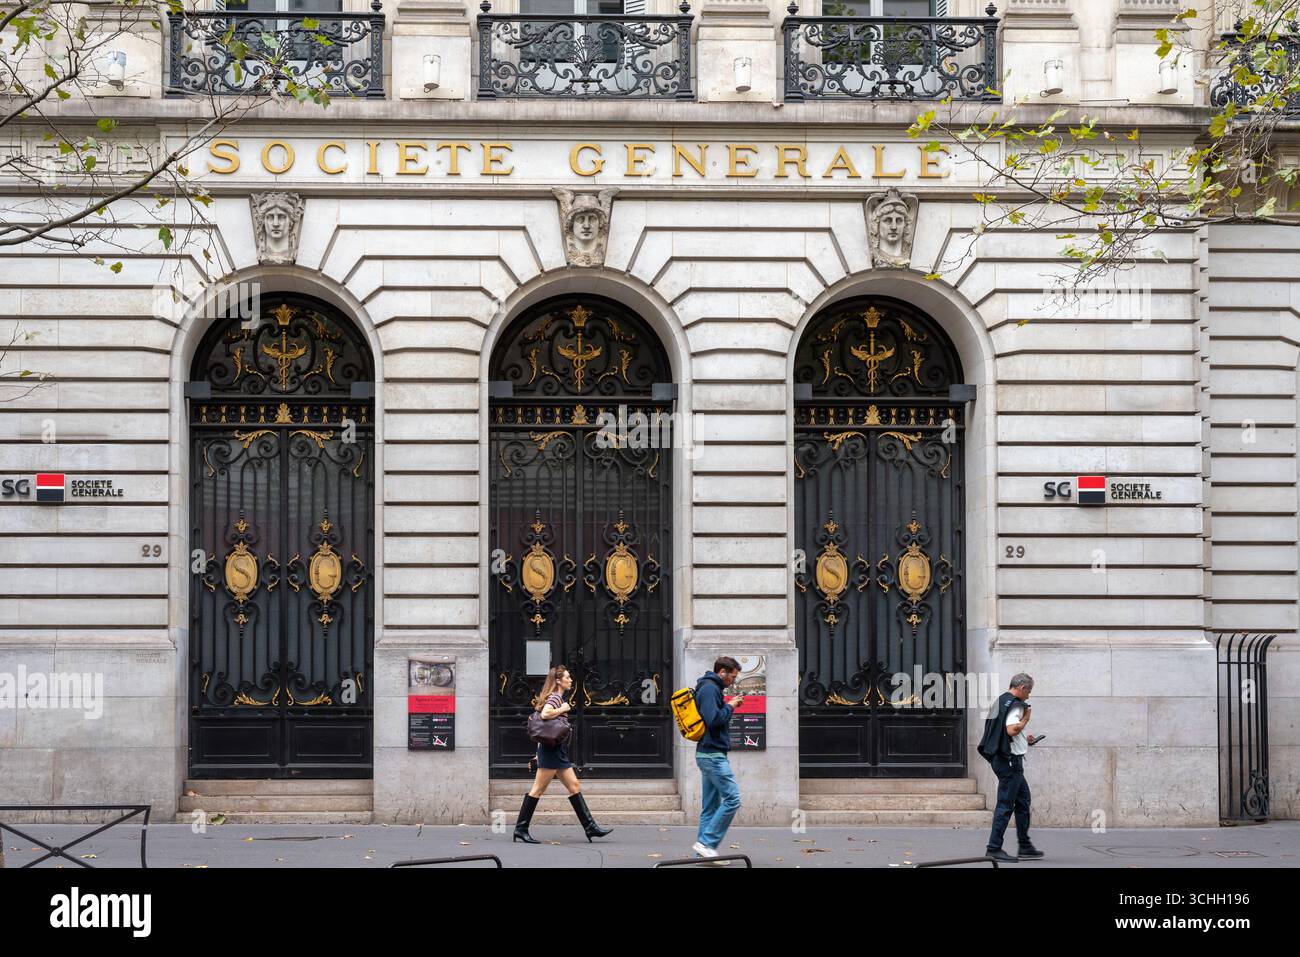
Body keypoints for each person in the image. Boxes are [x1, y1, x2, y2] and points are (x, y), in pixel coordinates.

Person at [512, 665, 613, 844]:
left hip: (555, 750)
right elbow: (545, 714)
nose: (571, 680)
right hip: (551, 752)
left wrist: (537, 754)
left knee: (574, 786)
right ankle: (521, 829)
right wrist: (563, 708)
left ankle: (590, 828)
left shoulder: (556, 697)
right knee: (538, 790)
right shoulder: (555, 697)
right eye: (567, 677)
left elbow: (544, 731)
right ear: (558, 680)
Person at [979, 673, 1044, 862]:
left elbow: (1003, 731)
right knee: (1005, 805)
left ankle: (1025, 846)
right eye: (1029, 691)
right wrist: (1026, 719)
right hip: (1010, 762)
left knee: (1023, 801)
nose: (1029, 696)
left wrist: (1024, 739)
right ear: (1022, 688)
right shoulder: (1017, 705)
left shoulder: (1001, 701)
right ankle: (993, 848)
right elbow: (1011, 729)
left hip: (1003, 759)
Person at [692, 656, 744, 860]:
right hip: (712, 754)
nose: (733, 681)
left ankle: (702, 855)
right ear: (722, 672)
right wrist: (730, 706)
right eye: (732, 676)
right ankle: (706, 843)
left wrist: (729, 705)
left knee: (711, 807)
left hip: (708, 753)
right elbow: (713, 720)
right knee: (732, 799)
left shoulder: (710, 688)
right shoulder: (709, 689)